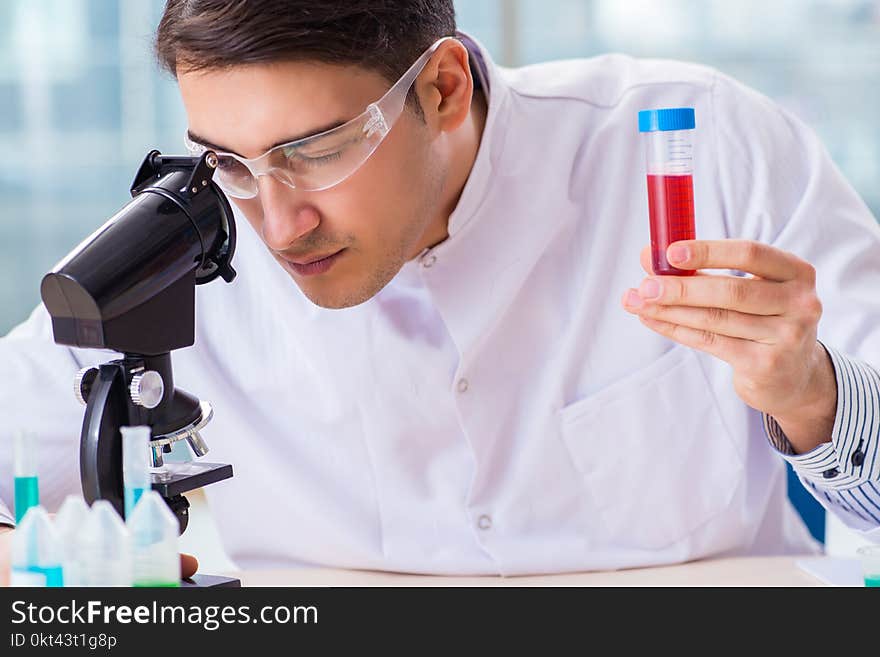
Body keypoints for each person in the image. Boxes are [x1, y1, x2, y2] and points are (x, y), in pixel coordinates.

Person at [2, 0, 879, 583]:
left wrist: (815, 397)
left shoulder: (699, 148)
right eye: (230, 159)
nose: (277, 223)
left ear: (443, 88)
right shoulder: (189, 239)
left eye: (315, 151)